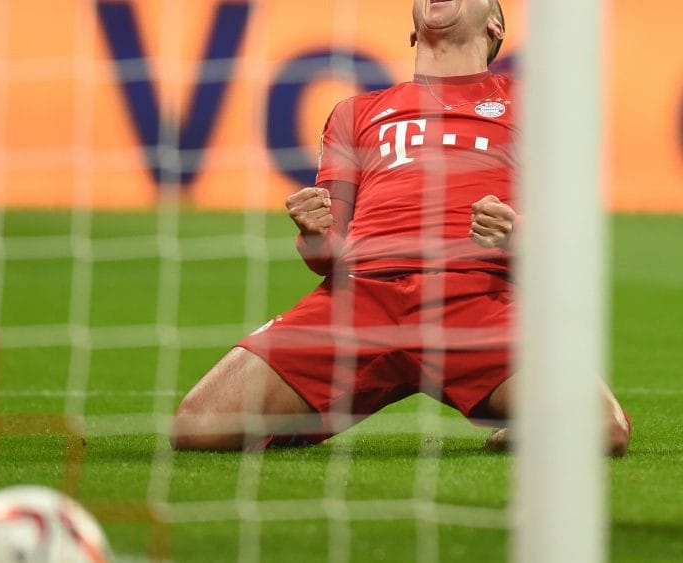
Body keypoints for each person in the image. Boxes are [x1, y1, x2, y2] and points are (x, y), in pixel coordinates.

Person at [170, 0, 632, 456]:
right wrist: (313, 233)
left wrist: (517, 232)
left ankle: (524, 429)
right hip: (360, 299)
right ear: (413, 30)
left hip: (474, 300)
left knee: (600, 429)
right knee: (196, 428)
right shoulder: (354, 113)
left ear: (495, 26)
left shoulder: (533, 103)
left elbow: (570, 235)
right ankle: (300, 421)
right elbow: (326, 256)